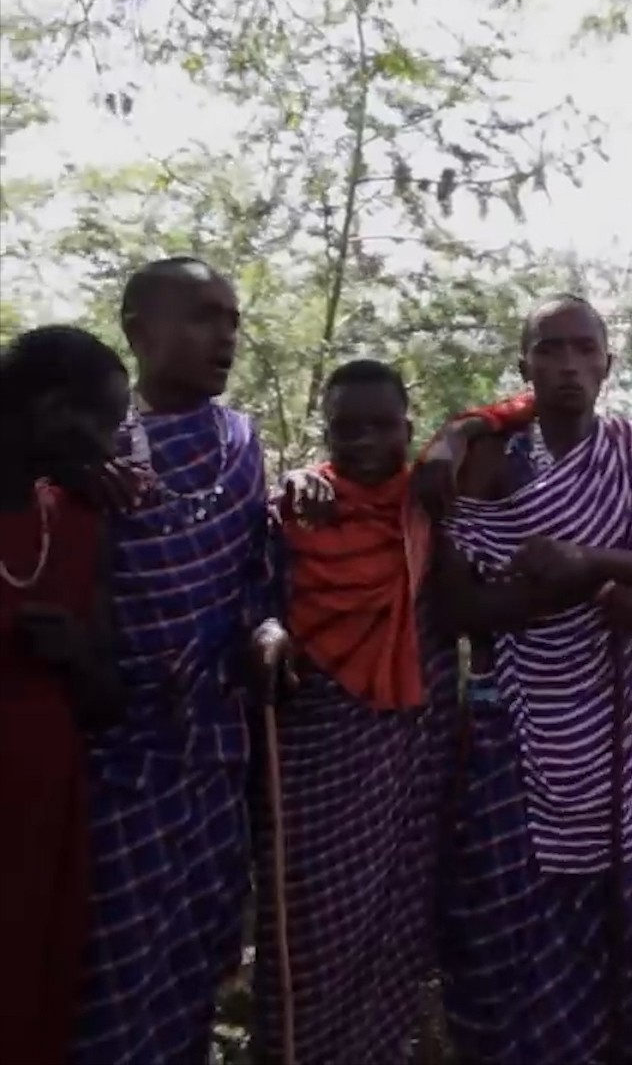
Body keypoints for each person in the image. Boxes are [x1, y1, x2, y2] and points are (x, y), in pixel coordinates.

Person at [433, 294, 632, 1063]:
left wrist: (595, 566)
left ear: (607, 365)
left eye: (584, 349)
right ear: (523, 366)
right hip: (519, 742)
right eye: (549, 350)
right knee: (522, 955)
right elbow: (459, 606)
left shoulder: (629, 451)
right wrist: (566, 589)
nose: (567, 365)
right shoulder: (484, 463)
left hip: (621, 742)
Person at [69, 256, 287, 1064]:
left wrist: (269, 631)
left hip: (213, 759)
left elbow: (259, 577)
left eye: (232, 319)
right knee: (112, 974)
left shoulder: (238, 444)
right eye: (202, 316)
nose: (224, 335)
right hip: (123, 760)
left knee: (194, 968)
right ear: (139, 332)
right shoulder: (95, 455)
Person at [247, 359, 450, 1062]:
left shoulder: (429, 509)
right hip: (317, 767)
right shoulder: (293, 513)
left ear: (409, 428)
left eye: (381, 426)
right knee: (306, 937)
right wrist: (267, 632)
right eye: (345, 427)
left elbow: (505, 417)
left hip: (409, 766)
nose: (364, 440)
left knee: (393, 940)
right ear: (324, 431)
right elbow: (256, 603)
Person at [0, 326, 130, 1065]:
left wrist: (78, 656)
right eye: (106, 422)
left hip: (43, 820)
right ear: (52, 409)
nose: (113, 446)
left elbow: (109, 696)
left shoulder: (76, 523)